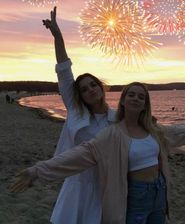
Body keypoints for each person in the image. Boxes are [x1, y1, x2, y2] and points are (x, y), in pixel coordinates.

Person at [10, 82, 185, 224]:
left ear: (145, 104)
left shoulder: (152, 130)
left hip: (160, 192)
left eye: (141, 96)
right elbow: (79, 155)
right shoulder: (112, 134)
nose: (136, 98)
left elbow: (175, 134)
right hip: (136, 195)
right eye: (131, 95)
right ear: (123, 101)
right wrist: (37, 171)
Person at [42, 7, 116, 224]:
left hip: (104, 185)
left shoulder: (117, 118)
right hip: (77, 182)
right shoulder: (76, 112)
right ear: (80, 96)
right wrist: (57, 35)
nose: (91, 90)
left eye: (93, 85)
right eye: (84, 89)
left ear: (101, 87)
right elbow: (64, 71)